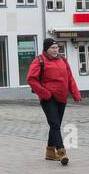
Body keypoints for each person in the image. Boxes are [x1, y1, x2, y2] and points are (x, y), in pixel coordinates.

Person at [26, 37, 81, 165]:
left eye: (57, 47)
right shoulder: (39, 60)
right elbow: (31, 79)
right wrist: (45, 93)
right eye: (52, 48)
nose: (56, 50)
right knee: (55, 124)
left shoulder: (63, 60)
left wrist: (76, 93)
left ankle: (50, 152)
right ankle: (62, 153)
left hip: (62, 97)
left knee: (54, 125)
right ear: (46, 49)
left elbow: (70, 78)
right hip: (48, 98)